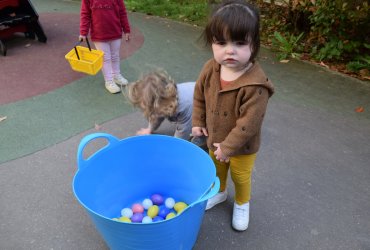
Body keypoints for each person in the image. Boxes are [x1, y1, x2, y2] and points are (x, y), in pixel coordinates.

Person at [191, 0, 274, 231]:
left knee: (240, 176)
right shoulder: (211, 68)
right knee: (216, 170)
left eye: (239, 43)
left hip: (241, 148)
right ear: (212, 43)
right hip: (214, 137)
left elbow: (248, 125)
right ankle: (219, 192)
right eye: (221, 42)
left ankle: (241, 203)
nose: (230, 50)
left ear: (253, 45)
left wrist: (228, 148)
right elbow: (199, 95)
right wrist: (198, 122)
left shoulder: (256, 85)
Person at [125, 70, 196, 141]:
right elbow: (156, 116)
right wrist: (149, 129)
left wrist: (174, 145)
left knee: (197, 135)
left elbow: (183, 131)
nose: (151, 113)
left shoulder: (183, 107)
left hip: (203, 108)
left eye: (152, 110)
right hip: (191, 102)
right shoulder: (164, 100)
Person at [79, 0, 131, 94]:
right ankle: (109, 82)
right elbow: (85, 14)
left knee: (115, 56)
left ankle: (116, 75)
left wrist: (126, 29)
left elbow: (122, 13)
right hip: (99, 35)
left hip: (115, 32)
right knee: (105, 59)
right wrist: (83, 32)